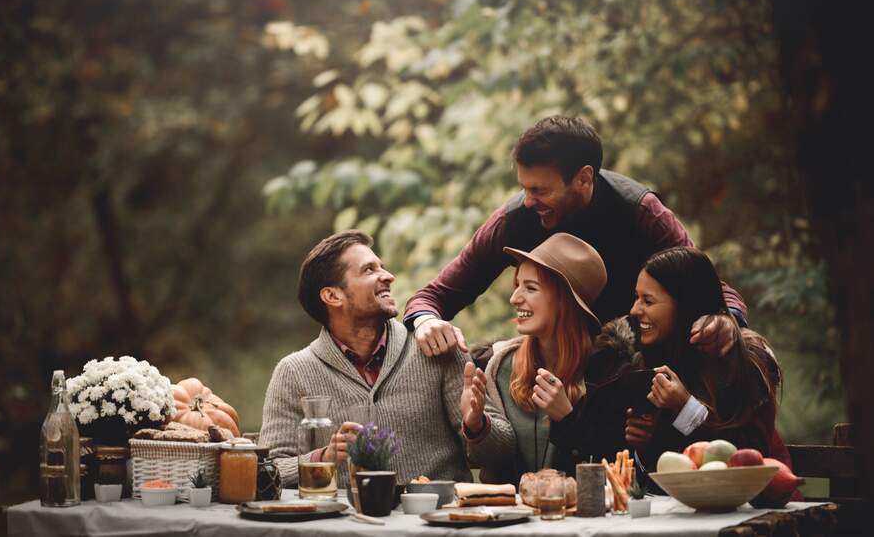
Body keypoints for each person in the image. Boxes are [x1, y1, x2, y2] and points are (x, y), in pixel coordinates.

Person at [405, 116, 746, 361]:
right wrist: (426, 322)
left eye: (539, 189)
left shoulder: (640, 212)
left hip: (640, 367)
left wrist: (725, 320)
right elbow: (432, 297)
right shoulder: (513, 221)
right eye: (523, 187)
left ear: (583, 179)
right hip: (556, 368)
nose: (527, 201)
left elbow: (714, 289)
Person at [548, 246, 792, 489]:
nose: (634, 310)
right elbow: (659, 469)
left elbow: (748, 457)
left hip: (757, 508)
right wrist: (649, 439)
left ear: (684, 303)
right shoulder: (646, 362)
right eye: (636, 297)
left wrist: (685, 407)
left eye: (648, 301)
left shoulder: (743, 360)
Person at [257, 230, 480, 488]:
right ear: (332, 296)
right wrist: (324, 458)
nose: (388, 276)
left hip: (436, 522)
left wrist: (477, 426)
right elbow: (268, 471)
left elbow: (501, 450)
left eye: (382, 267)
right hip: (346, 526)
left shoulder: (436, 344)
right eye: (369, 270)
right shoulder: (293, 372)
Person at [459, 233, 607, 484]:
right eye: (518, 285)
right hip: (510, 517)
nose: (514, 298)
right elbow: (496, 458)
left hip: (579, 517)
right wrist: (477, 426)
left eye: (530, 288)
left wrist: (567, 420)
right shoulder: (499, 366)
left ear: (565, 301)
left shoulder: (607, 372)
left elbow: (611, 469)